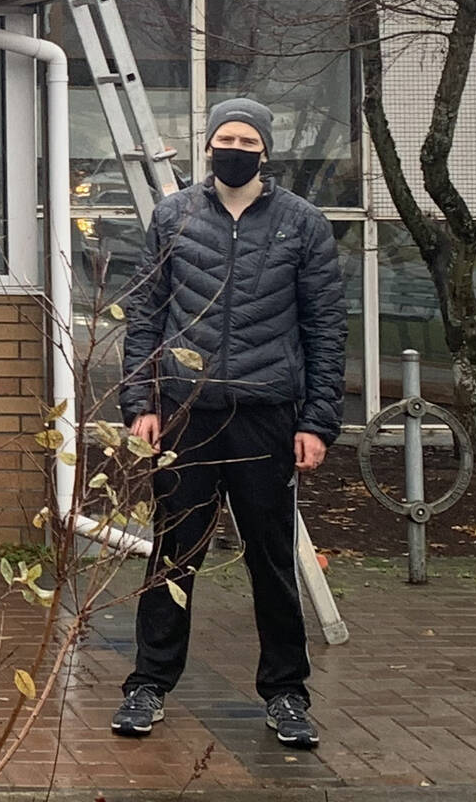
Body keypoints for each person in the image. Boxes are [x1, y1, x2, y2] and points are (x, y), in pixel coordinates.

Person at [112, 98, 347, 751]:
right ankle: (149, 684)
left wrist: (318, 422)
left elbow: (325, 329)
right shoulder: (172, 217)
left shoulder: (302, 224)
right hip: (186, 416)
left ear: (265, 150)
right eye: (224, 137)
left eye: (247, 138)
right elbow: (145, 321)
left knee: (272, 561)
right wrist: (141, 404)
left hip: (268, 416)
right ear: (208, 146)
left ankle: (287, 694)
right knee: (170, 556)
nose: (234, 147)